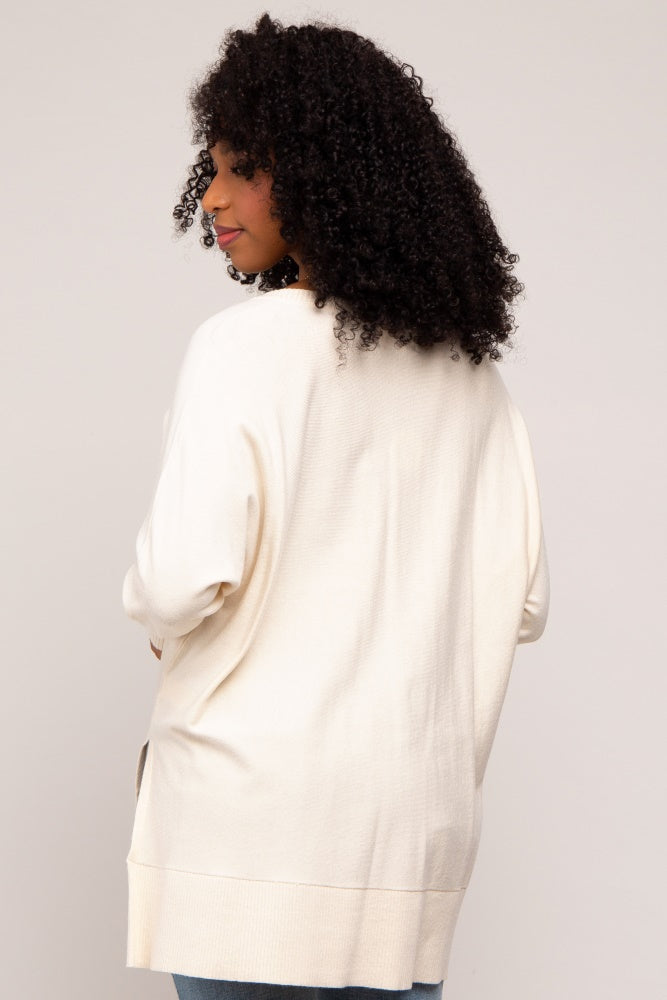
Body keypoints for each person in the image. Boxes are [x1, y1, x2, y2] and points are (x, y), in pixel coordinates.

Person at [121, 12, 550, 1000]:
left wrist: (165, 621)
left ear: (322, 176)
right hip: (408, 832)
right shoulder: (474, 384)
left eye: (244, 169)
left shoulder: (241, 348)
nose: (213, 197)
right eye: (211, 170)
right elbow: (522, 602)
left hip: (250, 829)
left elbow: (178, 580)